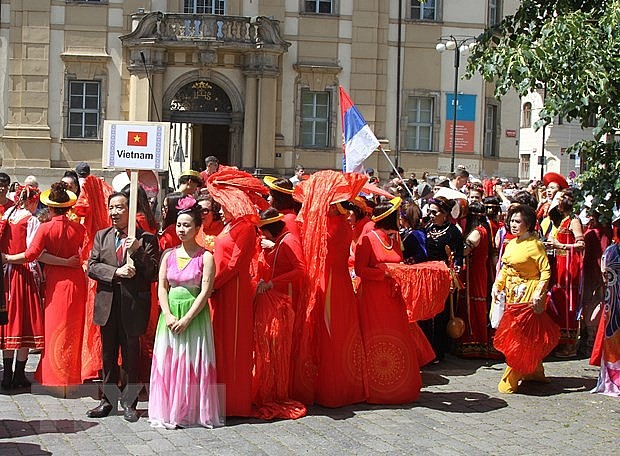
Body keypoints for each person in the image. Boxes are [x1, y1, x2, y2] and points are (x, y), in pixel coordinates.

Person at [3, 183, 88, 389]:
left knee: (53, 328)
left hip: (55, 282)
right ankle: (71, 374)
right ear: (68, 207)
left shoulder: (45, 227)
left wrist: (7, 258)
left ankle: (53, 374)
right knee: (73, 328)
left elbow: (31, 254)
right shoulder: (79, 228)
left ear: (50, 207)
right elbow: (84, 253)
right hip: (76, 281)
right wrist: (71, 262)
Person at [149, 196, 222, 428]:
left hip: (195, 316)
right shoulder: (168, 255)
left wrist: (188, 317)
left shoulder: (206, 257)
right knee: (169, 363)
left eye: (187, 225)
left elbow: (205, 291)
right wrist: (168, 314)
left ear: (197, 228)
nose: (182, 229)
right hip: (169, 316)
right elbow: (162, 286)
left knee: (192, 362)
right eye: (179, 225)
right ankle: (169, 410)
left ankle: (190, 411)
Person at [86, 192, 159, 422]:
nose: (114, 212)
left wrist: (137, 250)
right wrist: (115, 272)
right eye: (111, 208)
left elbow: (153, 272)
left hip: (133, 305)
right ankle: (107, 401)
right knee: (108, 355)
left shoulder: (146, 238)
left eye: (119, 208)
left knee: (131, 356)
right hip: (107, 304)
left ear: (130, 210)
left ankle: (130, 403)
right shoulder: (102, 236)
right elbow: (92, 266)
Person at [355, 197, 422, 404]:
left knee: (396, 337)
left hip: (392, 298)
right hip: (372, 298)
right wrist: (383, 274)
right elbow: (360, 270)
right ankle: (376, 387)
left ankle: (396, 384)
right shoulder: (367, 239)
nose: (401, 218)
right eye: (397, 215)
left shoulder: (395, 239)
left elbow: (398, 263)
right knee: (375, 337)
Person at [492, 204, 559, 394]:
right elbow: (505, 268)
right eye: (512, 220)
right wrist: (498, 285)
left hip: (529, 295)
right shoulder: (511, 243)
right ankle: (534, 370)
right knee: (523, 334)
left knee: (521, 335)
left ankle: (512, 375)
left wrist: (539, 292)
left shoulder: (535, 245)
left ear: (528, 224)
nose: (513, 225)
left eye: (518, 221)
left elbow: (545, 271)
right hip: (513, 294)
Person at [253, 208, 307, 419]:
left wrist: (273, 283)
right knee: (268, 348)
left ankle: (274, 392)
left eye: (263, 230)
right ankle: (266, 390)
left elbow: (300, 269)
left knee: (275, 348)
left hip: (281, 301)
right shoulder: (280, 241)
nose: (261, 235)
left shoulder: (289, 240)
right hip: (272, 297)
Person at [211, 201, 257, 417]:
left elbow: (235, 264)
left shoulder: (246, 228)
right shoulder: (229, 226)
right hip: (221, 287)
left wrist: (213, 284)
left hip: (234, 290)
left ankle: (234, 402)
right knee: (221, 342)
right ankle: (219, 399)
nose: (220, 211)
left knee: (234, 343)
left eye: (223, 207)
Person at [0, 186, 44, 389]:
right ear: (33, 201)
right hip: (22, 273)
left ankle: (7, 374)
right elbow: (31, 252)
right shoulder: (31, 220)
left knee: (9, 322)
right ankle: (18, 374)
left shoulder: (7, 216)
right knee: (24, 321)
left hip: (5, 273)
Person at [423, 196, 464, 360]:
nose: (431, 215)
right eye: (429, 212)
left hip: (444, 275)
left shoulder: (453, 232)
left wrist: (455, 273)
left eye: (434, 212)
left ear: (444, 214)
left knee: (441, 314)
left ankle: (439, 351)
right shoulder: (427, 228)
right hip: (428, 274)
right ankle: (427, 349)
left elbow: (459, 256)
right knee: (428, 313)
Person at [545, 188, 585, 357]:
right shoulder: (563, 220)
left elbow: (581, 244)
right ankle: (559, 340)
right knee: (558, 298)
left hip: (570, 264)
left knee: (568, 300)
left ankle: (569, 344)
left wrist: (561, 246)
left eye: (560, 199)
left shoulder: (573, 221)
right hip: (560, 264)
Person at [456, 202, 491, 358]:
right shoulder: (485, 230)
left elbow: (465, 251)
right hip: (478, 269)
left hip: (474, 270)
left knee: (472, 302)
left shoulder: (477, 232)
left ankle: (473, 339)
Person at [590, 216, 620, 396]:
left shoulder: (610, 251)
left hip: (612, 299)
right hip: (613, 300)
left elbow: (603, 275)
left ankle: (612, 380)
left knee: (613, 338)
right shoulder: (610, 251)